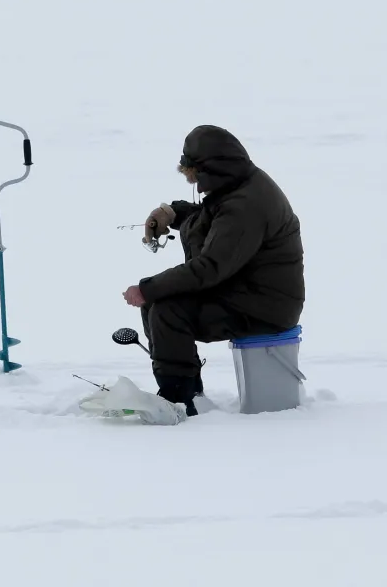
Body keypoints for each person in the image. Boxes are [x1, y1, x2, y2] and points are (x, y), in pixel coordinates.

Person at [122, 125, 305, 415]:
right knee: (160, 305)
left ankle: (180, 399)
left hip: (264, 307)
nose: (194, 184)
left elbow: (209, 268)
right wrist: (174, 212)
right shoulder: (238, 185)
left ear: (210, 170)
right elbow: (214, 221)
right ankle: (182, 390)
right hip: (245, 292)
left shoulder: (245, 204)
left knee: (169, 310)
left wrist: (146, 289)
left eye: (194, 177)